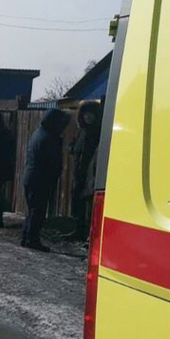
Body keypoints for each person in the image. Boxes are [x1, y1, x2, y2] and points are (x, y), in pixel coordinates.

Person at [21, 108, 71, 251]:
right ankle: (32, 239)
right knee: (38, 211)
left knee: (32, 209)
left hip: (32, 176)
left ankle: (26, 237)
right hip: (40, 178)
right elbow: (52, 162)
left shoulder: (39, 133)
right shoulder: (49, 138)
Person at [69, 100, 102, 243]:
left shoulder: (98, 132)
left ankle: (90, 235)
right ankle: (78, 230)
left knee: (90, 204)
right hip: (79, 171)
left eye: (91, 115)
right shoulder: (82, 131)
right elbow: (75, 146)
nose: (88, 117)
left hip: (91, 173)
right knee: (79, 203)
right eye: (86, 114)